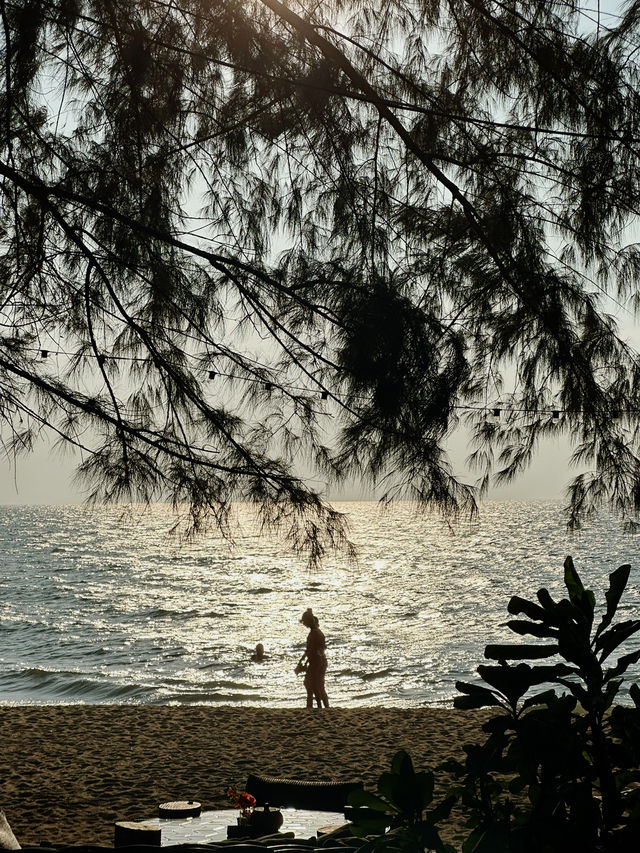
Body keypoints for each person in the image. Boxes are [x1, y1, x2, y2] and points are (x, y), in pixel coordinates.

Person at [296, 607, 329, 709]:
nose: (304, 624)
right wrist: (303, 661)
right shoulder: (316, 632)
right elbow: (310, 650)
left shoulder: (314, 633)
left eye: (304, 622)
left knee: (312, 685)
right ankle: (321, 707)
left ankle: (316, 707)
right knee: (315, 685)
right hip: (318, 661)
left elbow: (314, 650)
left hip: (317, 662)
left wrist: (304, 662)